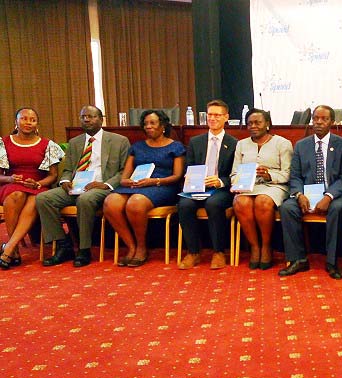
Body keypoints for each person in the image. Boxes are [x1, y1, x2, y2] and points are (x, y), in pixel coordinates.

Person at [36, 105, 130, 267]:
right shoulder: (75, 142)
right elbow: (67, 170)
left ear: (101, 119)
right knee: (43, 198)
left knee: (85, 199)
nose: (86, 119)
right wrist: (65, 181)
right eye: (83, 117)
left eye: (91, 116)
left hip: (102, 188)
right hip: (76, 186)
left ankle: (84, 249)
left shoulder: (119, 141)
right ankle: (63, 245)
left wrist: (105, 184)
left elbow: (124, 171)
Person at [278, 105, 342, 279]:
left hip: (334, 194)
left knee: (337, 209)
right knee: (287, 208)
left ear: (332, 122)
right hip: (306, 194)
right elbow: (295, 176)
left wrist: (328, 196)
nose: (319, 122)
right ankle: (298, 260)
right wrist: (299, 195)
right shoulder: (301, 145)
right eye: (315, 118)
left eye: (324, 119)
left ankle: (332, 261)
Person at [103, 110, 185, 267]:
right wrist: (127, 182)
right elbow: (124, 176)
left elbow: (177, 176)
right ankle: (130, 246)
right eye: (146, 124)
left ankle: (141, 247)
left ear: (163, 126)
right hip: (136, 184)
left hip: (162, 186)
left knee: (136, 202)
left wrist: (154, 181)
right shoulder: (137, 147)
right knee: (110, 202)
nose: (148, 126)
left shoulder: (175, 147)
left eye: (153, 123)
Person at [0, 108, 64, 269]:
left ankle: (9, 248)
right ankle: (13, 249)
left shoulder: (47, 144)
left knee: (37, 199)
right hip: (11, 184)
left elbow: (53, 176)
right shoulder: (4, 143)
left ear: (37, 124)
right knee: (16, 195)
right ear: (16, 121)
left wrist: (39, 184)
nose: (28, 122)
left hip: (38, 185)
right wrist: (10, 178)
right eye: (24, 119)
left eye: (32, 120)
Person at [177, 100, 238, 270]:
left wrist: (220, 181)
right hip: (197, 187)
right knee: (184, 204)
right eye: (210, 114)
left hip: (221, 189)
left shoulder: (234, 143)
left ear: (226, 117)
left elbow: (236, 173)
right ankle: (193, 252)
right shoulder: (196, 142)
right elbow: (189, 168)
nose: (212, 118)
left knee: (214, 204)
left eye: (217, 115)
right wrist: (192, 181)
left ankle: (218, 252)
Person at [231, 108, 292, 270]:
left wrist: (269, 175)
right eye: (249, 123)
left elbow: (288, 174)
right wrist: (238, 183)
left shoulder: (282, 143)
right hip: (248, 186)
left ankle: (266, 246)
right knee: (240, 202)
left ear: (267, 124)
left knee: (262, 201)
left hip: (274, 186)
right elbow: (234, 173)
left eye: (257, 122)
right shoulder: (241, 144)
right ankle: (254, 246)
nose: (253, 126)